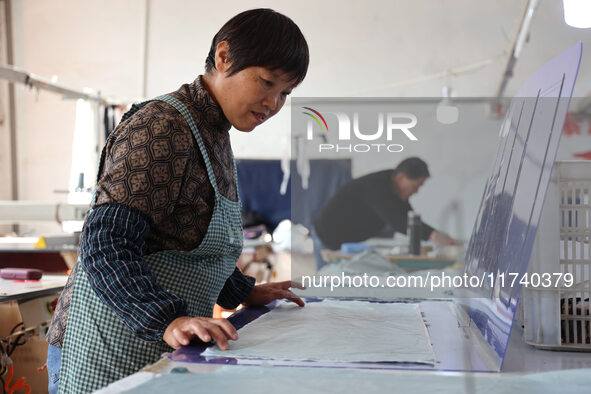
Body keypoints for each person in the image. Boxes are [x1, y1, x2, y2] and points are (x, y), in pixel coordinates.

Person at [45, 9, 309, 393]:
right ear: (224, 57)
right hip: (108, 344)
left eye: (285, 92)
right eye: (267, 82)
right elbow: (106, 244)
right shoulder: (163, 126)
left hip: (156, 343)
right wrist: (167, 320)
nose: (273, 102)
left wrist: (242, 291)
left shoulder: (214, 134)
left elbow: (188, 244)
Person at [312, 157, 457, 269]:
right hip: (327, 240)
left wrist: (435, 234)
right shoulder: (377, 187)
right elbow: (398, 221)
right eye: (415, 186)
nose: (416, 191)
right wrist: (434, 235)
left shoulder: (394, 189)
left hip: (343, 242)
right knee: (329, 288)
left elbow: (409, 218)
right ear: (401, 177)